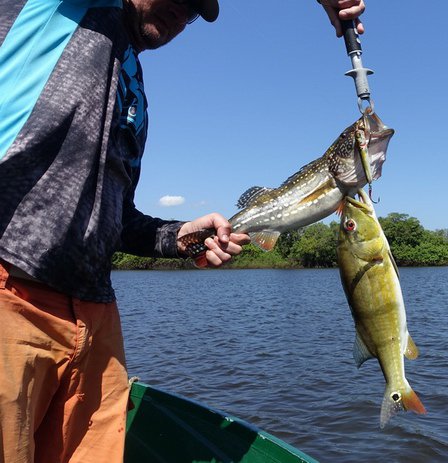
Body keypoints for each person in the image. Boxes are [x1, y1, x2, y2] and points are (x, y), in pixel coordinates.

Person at [0, 0, 365, 461]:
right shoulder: (61, 11)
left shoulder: (135, 93)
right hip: (11, 291)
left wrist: (179, 236)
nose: (182, 10)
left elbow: (117, 219)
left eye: (195, 9)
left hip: (95, 318)